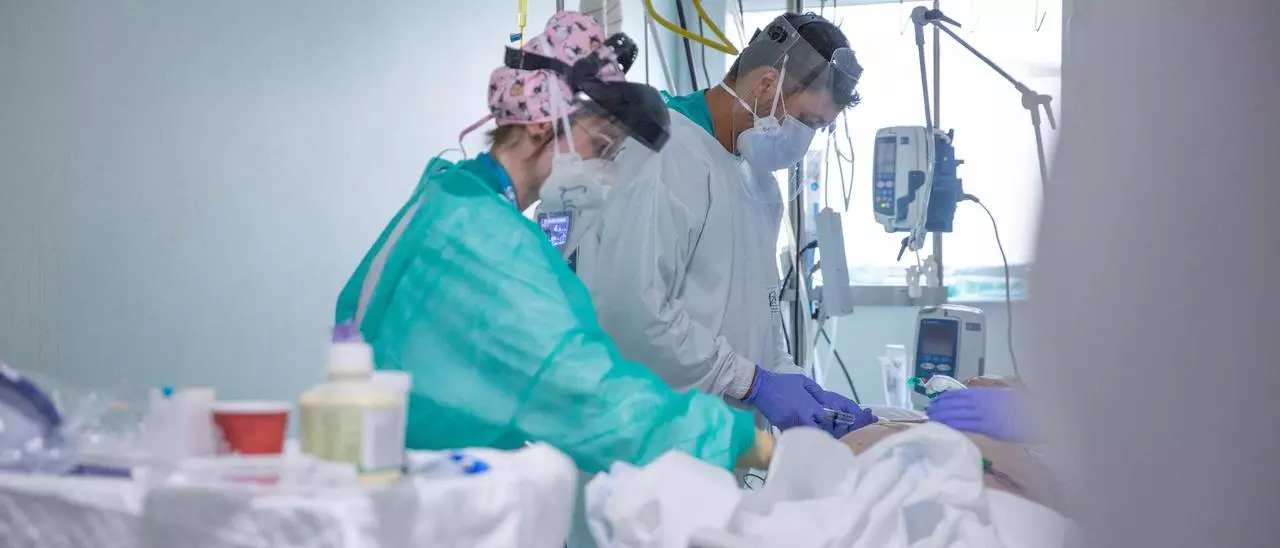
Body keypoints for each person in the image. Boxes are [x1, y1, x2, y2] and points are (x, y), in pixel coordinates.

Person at [333, 12, 774, 475]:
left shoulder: (446, 195)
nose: (607, 169)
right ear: (542, 124)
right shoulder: (485, 240)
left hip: (394, 462)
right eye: (600, 147)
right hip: (420, 482)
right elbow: (589, 395)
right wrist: (746, 442)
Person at [573, 12, 874, 437]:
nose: (805, 140)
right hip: (658, 438)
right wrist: (753, 383)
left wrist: (795, 383)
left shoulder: (759, 183)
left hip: (728, 441)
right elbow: (635, 315)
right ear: (767, 84)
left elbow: (759, 321)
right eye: (807, 121)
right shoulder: (664, 152)